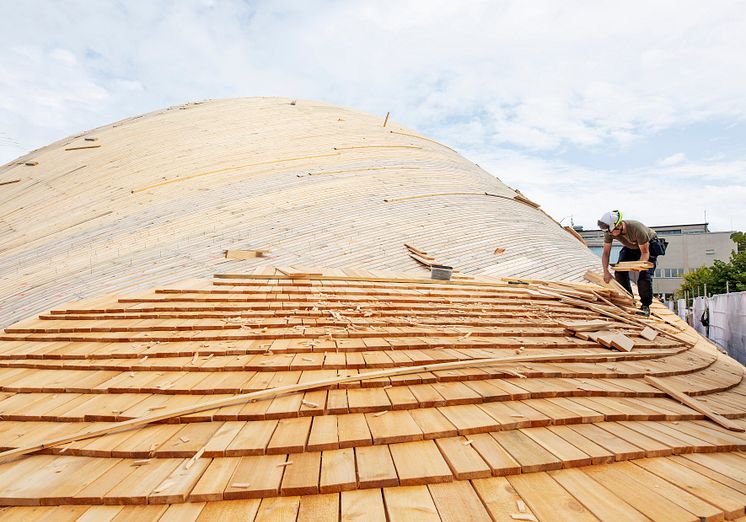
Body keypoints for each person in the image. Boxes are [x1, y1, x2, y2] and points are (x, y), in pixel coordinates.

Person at [598, 210, 664, 316]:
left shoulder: (637, 229)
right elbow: (606, 253)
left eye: (611, 231)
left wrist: (638, 267)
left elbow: (645, 252)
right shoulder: (609, 231)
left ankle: (645, 306)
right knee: (619, 271)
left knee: (644, 274)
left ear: (618, 225)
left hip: (648, 246)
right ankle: (629, 300)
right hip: (631, 247)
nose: (609, 234)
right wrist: (605, 272)